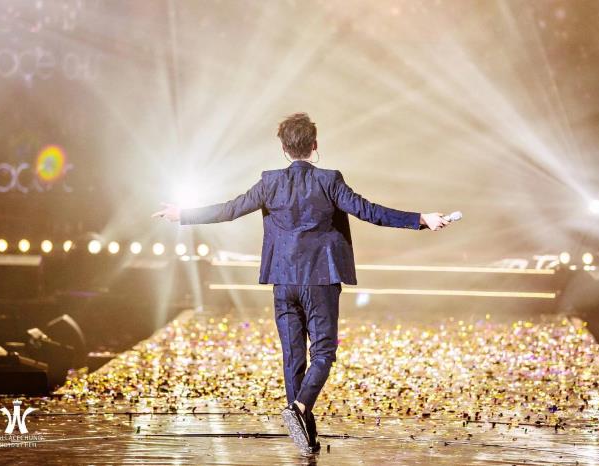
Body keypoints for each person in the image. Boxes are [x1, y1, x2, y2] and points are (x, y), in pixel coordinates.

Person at [152, 112, 450, 455]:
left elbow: (230, 210)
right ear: (314, 145)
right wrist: (420, 219)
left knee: (293, 356)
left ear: (283, 149)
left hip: (283, 280)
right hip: (320, 279)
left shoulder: (270, 182)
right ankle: (299, 407)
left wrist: (183, 214)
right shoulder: (329, 180)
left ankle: (306, 437)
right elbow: (369, 211)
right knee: (323, 352)